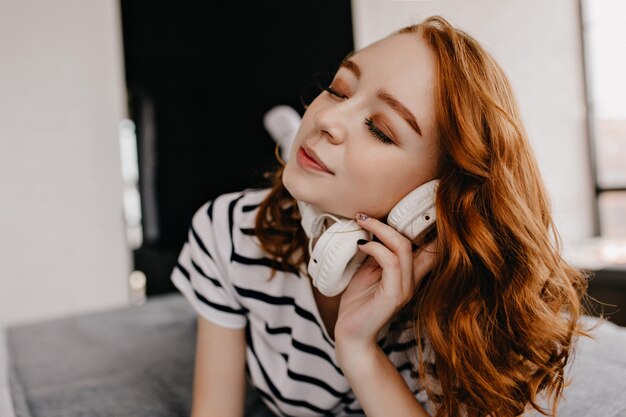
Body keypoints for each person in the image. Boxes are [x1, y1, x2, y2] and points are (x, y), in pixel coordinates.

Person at [171, 15, 588, 417]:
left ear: (428, 200)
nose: (327, 119)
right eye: (337, 90)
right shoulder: (229, 231)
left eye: (380, 130)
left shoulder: (463, 306)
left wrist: (358, 350)